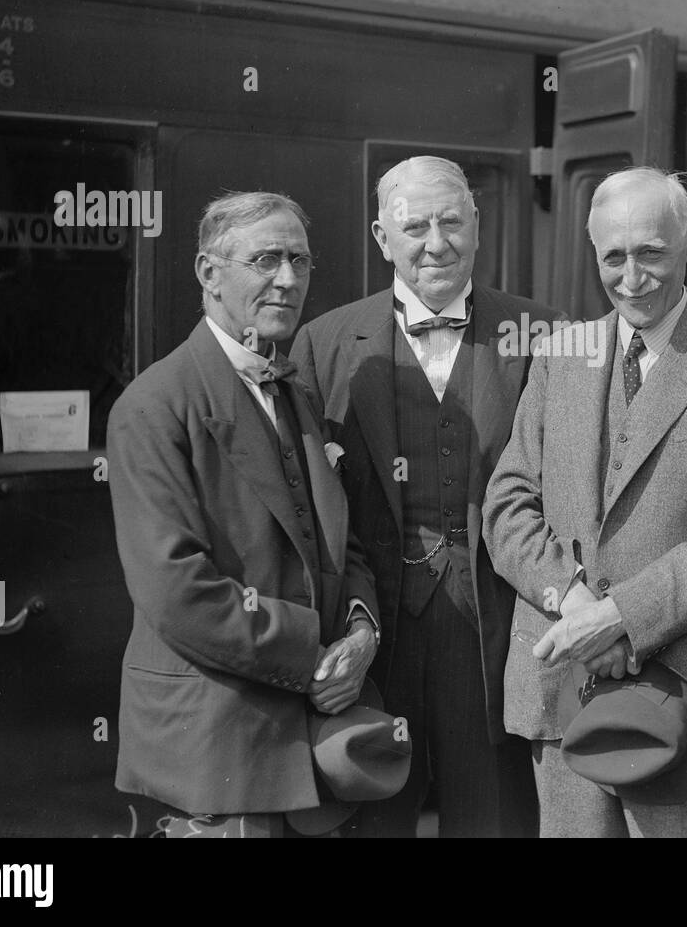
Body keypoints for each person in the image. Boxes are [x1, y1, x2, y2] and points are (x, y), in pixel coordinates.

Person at [484, 166, 687, 837]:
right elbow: (507, 505)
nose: (632, 276)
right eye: (613, 256)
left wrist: (622, 617)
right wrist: (578, 604)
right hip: (565, 689)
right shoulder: (560, 354)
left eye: (651, 251)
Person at [291, 156, 553, 837]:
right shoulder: (323, 344)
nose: (435, 242)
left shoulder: (544, 334)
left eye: (450, 222)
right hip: (376, 632)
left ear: (477, 225)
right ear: (382, 238)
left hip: (493, 630)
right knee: (373, 820)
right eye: (414, 226)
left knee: (495, 819)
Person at [107, 191, 379, 838]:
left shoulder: (295, 394)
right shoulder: (155, 406)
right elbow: (178, 593)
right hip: (219, 743)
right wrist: (314, 655)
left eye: (300, 261)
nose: (288, 279)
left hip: (308, 745)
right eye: (266, 260)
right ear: (209, 273)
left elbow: (344, 543)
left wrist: (363, 633)